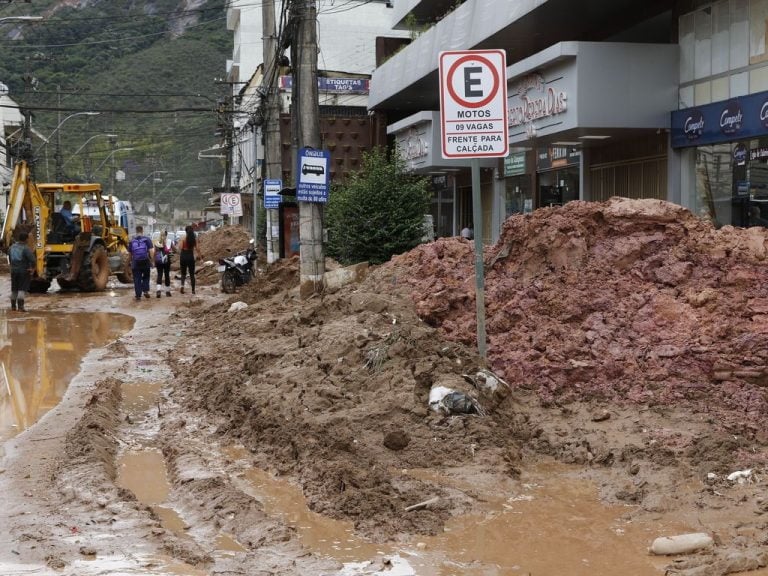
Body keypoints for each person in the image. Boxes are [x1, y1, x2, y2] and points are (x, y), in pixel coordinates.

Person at [8, 230, 35, 312]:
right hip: (23, 271)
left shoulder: (11, 247)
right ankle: (21, 307)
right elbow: (32, 260)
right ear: (26, 239)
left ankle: (13, 307)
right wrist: (32, 268)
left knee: (14, 289)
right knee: (21, 289)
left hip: (13, 271)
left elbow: (10, 259)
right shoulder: (26, 248)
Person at [128, 225, 154, 301]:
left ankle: (138, 295)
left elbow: (130, 254)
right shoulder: (147, 239)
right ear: (142, 231)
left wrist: (130, 262)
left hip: (135, 262)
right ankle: (145, 291)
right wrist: (152, 261)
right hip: (145, 261)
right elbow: (151, 251)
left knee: (137, 278)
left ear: (136, 231)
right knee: (146, 276)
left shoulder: (132, 241)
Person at [178, 225, 201, 295]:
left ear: (186, 231)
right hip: (190, 256)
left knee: (183, 273)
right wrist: (200, 257)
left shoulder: (183, 238)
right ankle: (193, 290)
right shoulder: (194, 239)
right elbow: (197, 249)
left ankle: (182, 286)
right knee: (192, 274)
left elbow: (180, 247)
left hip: (183, 256)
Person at [154, 230, 173, 298]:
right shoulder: (169, 241)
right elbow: (173, 250)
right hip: (167, 260)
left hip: (158, 261)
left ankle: (158, 290)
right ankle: (167, 292)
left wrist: (154, 261)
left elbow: (155, 252)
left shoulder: (156, 242)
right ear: (167, 235)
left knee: (159, 274)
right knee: (167, 275)